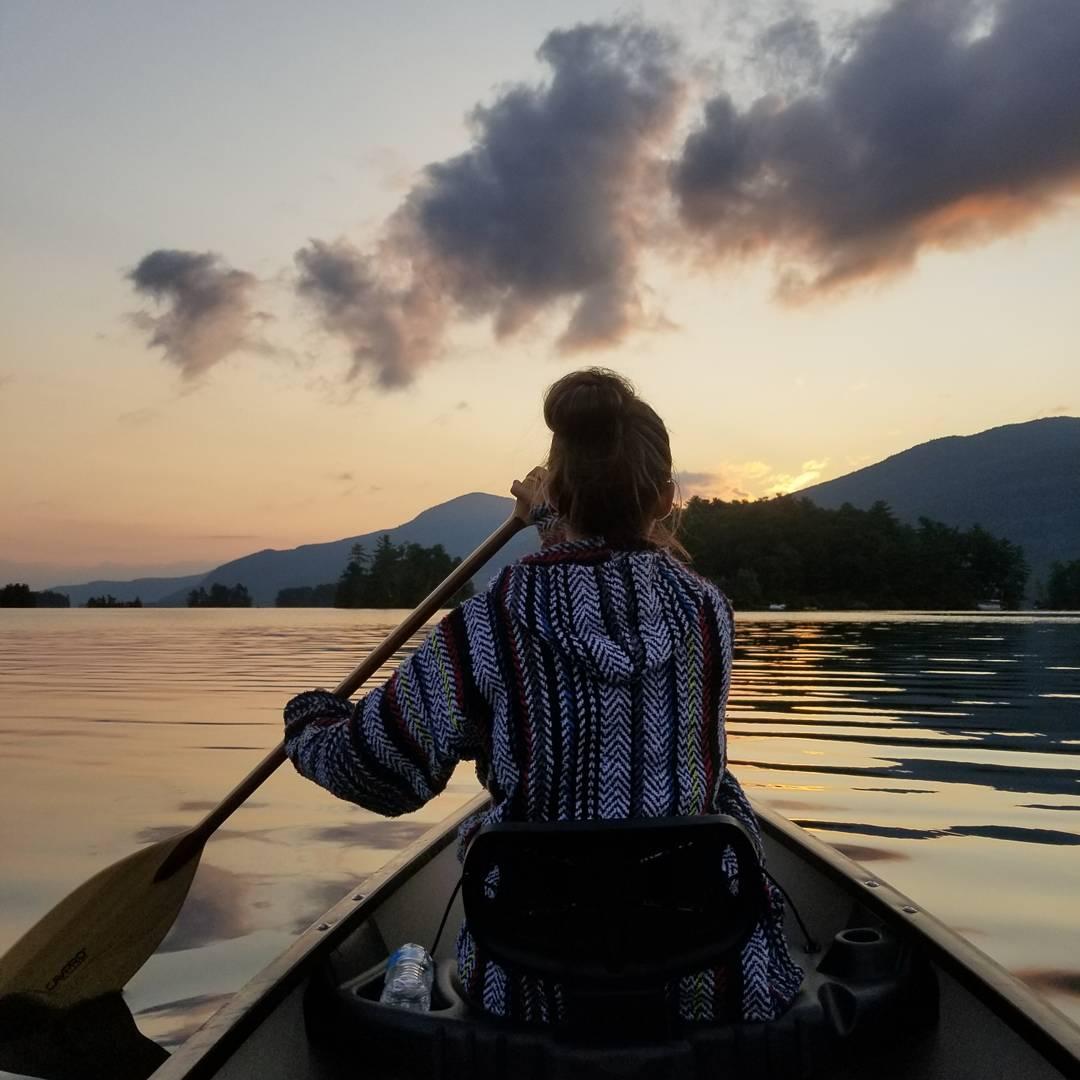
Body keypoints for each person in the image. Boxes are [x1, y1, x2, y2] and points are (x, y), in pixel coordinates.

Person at [283, 367, 802, 1024]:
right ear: (667, 495)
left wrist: (310, 722)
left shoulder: (490, 623)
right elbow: (603, 566)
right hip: (702, 969)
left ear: (558, 487)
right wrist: (552, 518)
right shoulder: (709, 616)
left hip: (529, 982)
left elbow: (383, 775)